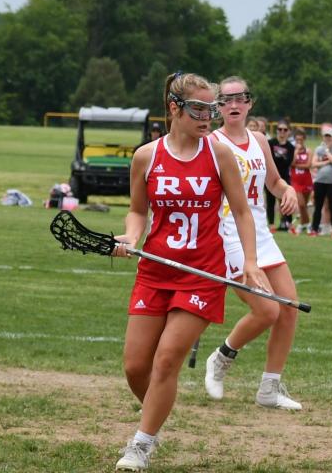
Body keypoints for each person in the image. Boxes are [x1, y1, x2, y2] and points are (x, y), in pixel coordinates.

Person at [112, 72, 266, 471]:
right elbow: (137, 211)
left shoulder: (219, 155)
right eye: (199, 109)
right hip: (155, 271)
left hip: (202, 273)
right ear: (174, 108)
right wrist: (130, 237)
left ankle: (141, 443)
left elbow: (244, 212)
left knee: (166, 361)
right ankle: (156, 415)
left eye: (212, 109)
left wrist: (249, 262)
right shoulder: (147, 156)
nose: (208, 118)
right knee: (134, 366)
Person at [205, 77, 302, 411]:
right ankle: (221, 357)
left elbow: (274, 182)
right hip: (228, 235)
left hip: (260, 232)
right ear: (217, 106)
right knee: (266, 310)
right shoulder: (212, 143)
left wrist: (288, 191)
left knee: (288, 308)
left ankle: (269, 388)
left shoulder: (259, 140)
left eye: (240, 98)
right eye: (226, 100)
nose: (233, 105)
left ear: (249, 103)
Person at [309, 124, 332, 237]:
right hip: (320, 181)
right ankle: (314, 229)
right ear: (323, 137)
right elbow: (314, 163)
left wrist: (328, 152)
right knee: (318, 206)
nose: (327, 138)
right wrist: (326, 162)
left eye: (329, 136)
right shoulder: (318, 149)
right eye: (326, 136)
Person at [266, 119, 295, 232]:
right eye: (280, 129)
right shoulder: (271, 143)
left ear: (288, 132)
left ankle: (288, 223)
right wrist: (281, 158)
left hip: (284, 176)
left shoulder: (290, 147)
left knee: (286, 200)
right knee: (270, 201)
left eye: (285, 130)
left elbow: (288, 162)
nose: (282, 132)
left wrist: (278, 158)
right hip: (270, 175)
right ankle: (272, 224)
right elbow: (270, 159)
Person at [288, 127, 314, 235]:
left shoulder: (308, 151)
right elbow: (291, 163)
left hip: (306, 180)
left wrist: (298, 165)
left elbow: (309, 165)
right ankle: (308, 225)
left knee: (305, 205)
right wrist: (296, 152)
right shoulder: (293, 150)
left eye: (301, 140)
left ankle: (303, 224)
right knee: (302, 205)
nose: (299, 142)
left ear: (304, 139)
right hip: (296, 180)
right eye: (297, 140)